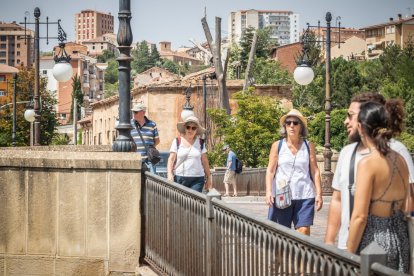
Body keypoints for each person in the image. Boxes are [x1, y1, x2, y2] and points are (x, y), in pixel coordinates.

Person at [325, 92, 414, 250]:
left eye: (351, 116)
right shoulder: (347, 152)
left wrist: (350, 253)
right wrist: (329, 241)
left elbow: (409, 202)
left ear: (365, 118)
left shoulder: (397, 151)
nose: (346, 121)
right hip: (393, 242)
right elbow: (337, 199)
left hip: (367, 244)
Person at [346, 100, 410, 273]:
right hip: (401, 238)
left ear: (360, 127)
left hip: (375, 242)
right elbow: (407, 204)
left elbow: (360, 217)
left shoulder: (368, 164)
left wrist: (346, 257)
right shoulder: (401, 160)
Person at [265, 109, 323, 235]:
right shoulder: (277, 145)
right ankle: (280, 256)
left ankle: (299, 255)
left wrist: (319, 193)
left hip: (305, 194)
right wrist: (269, 191)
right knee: (279, 234)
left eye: (295, 123)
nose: (291, 125)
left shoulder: (308, 146)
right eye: (288, 122)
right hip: (281, 194)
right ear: (285, 126)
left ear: (301, 127)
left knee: (304, 231)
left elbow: (315, 171)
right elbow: (270, 170)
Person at [167, 116, 212, 193]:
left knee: (194, 202)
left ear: (196, 130)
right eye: (188, 127)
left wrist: (209, 177)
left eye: (193, 128)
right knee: (181, 202)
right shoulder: (177, 141)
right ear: (185, 128)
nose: (190, 130)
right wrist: (169, 173)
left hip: (197, 178)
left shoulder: (200, 142)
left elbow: (205, 161)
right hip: (180, 177)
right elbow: (171, 159)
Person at [130, 102, 160, 173]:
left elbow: (157, 140)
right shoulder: (129, 124)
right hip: (135, 160)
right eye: (133, 112)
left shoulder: (152, 124)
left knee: (151, 182)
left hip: (149, 161)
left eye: (136, 112)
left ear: (143, 112)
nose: (134, 114)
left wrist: (149, 148)